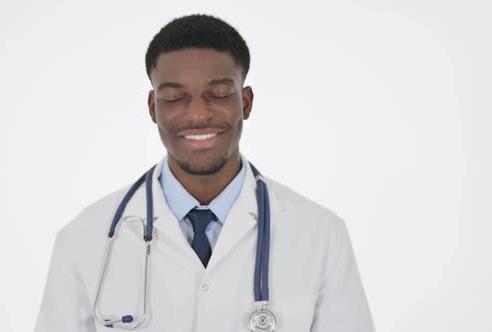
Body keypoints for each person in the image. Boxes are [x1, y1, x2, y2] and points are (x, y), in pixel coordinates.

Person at [35, 14, 375, 332]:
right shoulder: (85, 240)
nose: (198, 115)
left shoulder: (320, 235)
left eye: (218, 93)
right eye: (175, 97)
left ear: (246, 101)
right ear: (153, 108)